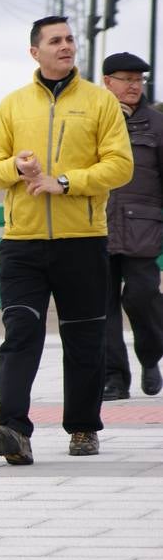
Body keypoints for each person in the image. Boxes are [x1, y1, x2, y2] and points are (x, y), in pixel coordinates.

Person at [0, 16, 132, 463]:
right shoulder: (13, 105)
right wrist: (16, 169)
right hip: (22, 243)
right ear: (35, 52)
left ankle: (83, 427)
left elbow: (120, 166)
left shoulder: (100, 103)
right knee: (20, 333)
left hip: (81, 239)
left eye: (69, 39)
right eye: (55, 41)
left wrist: (63, 182)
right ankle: (13, 429)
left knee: (84, 339)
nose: (65, 46)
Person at [100, 52, 163, 400]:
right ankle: (114, 378)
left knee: (141, 297)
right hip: (96, 227)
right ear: (108, 82)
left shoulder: (156, 126)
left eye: (138, 80)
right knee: (102, 306)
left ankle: (151, 354)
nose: (134, 86)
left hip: (143, 229)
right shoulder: (94, 122)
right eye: (127, 79)